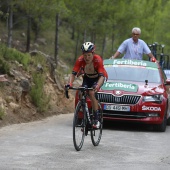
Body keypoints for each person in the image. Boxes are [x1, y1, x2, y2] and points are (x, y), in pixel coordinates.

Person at [65, 42, 108, 128]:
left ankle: (96, 119)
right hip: (88, 77)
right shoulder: (80, 60)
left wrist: (97, 86)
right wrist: (69, 84)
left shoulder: (97, 59)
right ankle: (85, 118)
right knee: (81, 92)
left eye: (89, 55)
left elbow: (102, 77)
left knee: (92, 93)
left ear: (93, 53)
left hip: (99, 78)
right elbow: (73, 74)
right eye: (85, 55)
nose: (87, 58)